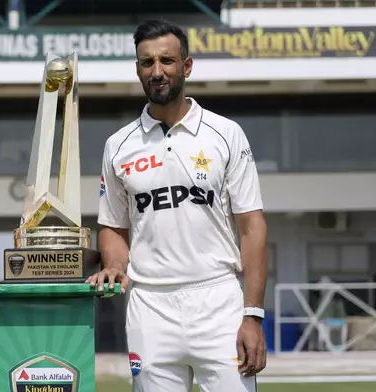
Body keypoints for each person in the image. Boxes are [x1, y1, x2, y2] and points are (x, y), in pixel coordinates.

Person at [87, 20, 268, 392]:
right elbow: (113, 227)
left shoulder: (226, 134)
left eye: (166, 61)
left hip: (218, 302)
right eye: (146, 63)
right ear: (138, 69)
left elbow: (252, 227)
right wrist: (115, 265)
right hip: (149, 306)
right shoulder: (118, 145)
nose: (157, 72)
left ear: (186, 66)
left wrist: (252, 315)